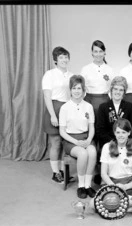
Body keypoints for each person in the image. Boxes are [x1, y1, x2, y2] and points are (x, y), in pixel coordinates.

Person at [59, 75, 97, 199]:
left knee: (92, 151)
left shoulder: (88, 106)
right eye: (74, 88)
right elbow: (62, 132)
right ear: (70, 90)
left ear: (83, 90)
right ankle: (81, 186)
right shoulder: (64, 108)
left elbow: (91, 127)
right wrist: (76, 142)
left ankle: (87, 185)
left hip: (86, 138)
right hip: (70, 140)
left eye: (79, 88)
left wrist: (88, 140)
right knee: (82, 154)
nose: (76, 91)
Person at [42, 46, 73, 184]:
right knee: (55, 143)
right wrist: (53, 115)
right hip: (54, 108)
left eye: (66, 57)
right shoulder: (50, 74)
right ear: (55, 60)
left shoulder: (71, 75)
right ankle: (55, 173)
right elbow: (47, 97)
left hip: (67, 109)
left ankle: (62, 171)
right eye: (61, 57)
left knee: (63, 142)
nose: (64, 60)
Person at [81, 40, 115, 144]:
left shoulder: (110, 70)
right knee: (90, 126)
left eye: (101, 51)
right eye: (95, 51)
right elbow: (81, 88)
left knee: (104, 127)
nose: (98, 54)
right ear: (92, 53)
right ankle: (92, 151)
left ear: (105, 52)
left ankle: (102, 154)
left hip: (105, 100)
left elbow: (113, 88)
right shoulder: (85, 69)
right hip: (89, 100)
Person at [96, 76, 132, 149]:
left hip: (126, 144)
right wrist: (114, 142)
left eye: (121, 90)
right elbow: (100, 131)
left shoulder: (130, 107)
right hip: (109, 144)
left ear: (124, 92)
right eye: (115, 89)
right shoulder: (103, 107)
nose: (118, 92)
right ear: (111, 90)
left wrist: (124, 142)